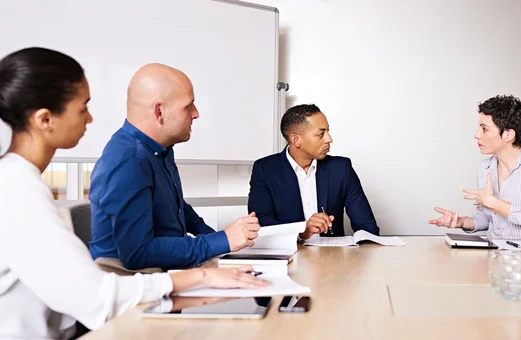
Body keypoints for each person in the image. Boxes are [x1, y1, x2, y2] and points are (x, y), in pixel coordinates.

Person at [0, 47, 269, 339]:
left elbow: (179, 212)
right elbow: (100, 295)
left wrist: (221, 250)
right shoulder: (18, 189)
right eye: (83, 108)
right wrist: (201, 273)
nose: (90, 119)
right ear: (44, 120)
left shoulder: (21, 180)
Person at [88, 63, 260, 272]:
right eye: (189, 106)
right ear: (160, 111)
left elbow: (177, 210)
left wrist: (226, 243)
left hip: (163, 276)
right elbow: (138, 254)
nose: (196, 114)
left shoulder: (160, 150)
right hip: (137, 288)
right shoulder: (129, 161)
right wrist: (222, 240)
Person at [428, 95, 521, 240]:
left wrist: (493, 202)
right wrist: (461, 222)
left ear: (508, 134)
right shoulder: (485, 168)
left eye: (484, 129)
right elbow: (488, 220)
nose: (476, 135)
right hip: (494, 255)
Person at [248, 104, 379, 240]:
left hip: (334, 257)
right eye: (320, 134)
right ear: (296, 140)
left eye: (327, 131)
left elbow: (367, 227)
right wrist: (301, 231)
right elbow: (261, 223)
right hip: (290, 256)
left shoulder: (341, 168)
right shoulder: (264, 169)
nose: (329, 139)